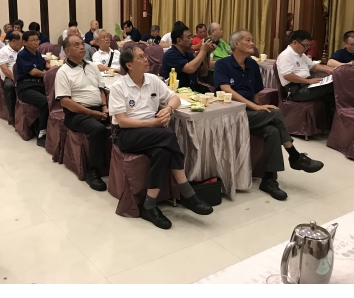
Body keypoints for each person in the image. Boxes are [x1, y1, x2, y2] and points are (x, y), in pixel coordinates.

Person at [109, 46, 213, 229]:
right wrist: (152, 124)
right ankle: (187, 192)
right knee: (168, 135)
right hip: (126, 134)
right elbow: (123, 122)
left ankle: (149, 205)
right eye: (140, 57)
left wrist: (168, 109)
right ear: (129, 65)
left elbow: (175, 98)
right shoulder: (118, 87)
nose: (146, 59)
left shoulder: (153, 80)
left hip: (152, 134)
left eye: (145, 56)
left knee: (163, 152)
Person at [214, 30, 324, 201]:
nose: (252, 43)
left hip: (250, 112)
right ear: (236, 44)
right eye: (248, 40)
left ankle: (268, 180)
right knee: (276, 113)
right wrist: (255, 107)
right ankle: (294, 155)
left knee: (272, 131)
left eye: (252, 40)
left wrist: (257, 107)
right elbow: (226, 90)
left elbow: (256, 92)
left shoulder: (252, 65)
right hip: (231, 113)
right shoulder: (223, 64)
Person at [55, 35, 110, 191]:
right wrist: (91, 113)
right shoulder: (63, 72)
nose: (81, 47)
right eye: (76, 45)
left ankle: (116, 163)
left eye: (82, 44)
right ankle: (92, 171)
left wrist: (104, 107)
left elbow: (101, 89)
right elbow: (65, 102)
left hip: (98, 109)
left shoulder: (92, 66)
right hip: (76, 114)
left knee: (122, 119)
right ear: (67, 51)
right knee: (97, 129)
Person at [276, 30, 336, 122]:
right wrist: (308, 81)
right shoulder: (286, 56)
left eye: (308, 46)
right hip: (295, 91)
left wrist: (328, 70)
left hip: (305, 86)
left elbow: (313, 66)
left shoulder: (301, 55)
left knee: (331, 97)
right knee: (331, 86)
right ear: (295, 42)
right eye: (305, 45)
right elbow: (288, 76)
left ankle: (330, 124)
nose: (307, 48)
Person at [15, 30, 50, 147]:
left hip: (39, 85)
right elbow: (33, 72)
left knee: (57, 97)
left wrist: (55, 68)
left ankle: (51, 128)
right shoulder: (22, 55)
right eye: (33, 40)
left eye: (37, 40)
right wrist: (48, 74)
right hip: (26, 87)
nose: (36, 42)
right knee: (44, 102)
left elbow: (45, 65)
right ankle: (41, 134)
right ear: (24, 42)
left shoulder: (38, 53)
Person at [161, 23, 214, 93]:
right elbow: (190, 69)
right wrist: (203, 50)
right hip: (177, 92)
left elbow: (203, 72)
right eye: (189, 37)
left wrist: (207, 53)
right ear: (179, 41)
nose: (192, 40)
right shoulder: (170, 54)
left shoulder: (187, 54)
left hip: (191, 90)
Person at [0, 31, 24, 126]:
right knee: (9, 86)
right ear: (13, 41)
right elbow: (4, 69)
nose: (23, 43)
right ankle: (11, 115)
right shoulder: (3, 51)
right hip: (10, 77)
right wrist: (15, 79)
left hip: (23, 74)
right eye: (21, 41)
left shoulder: (23, 50)